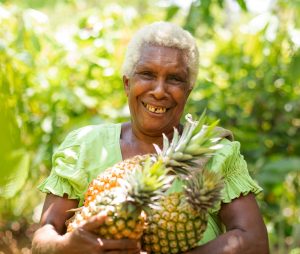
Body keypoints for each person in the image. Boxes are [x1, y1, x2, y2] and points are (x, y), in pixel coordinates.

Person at [32, 21, 269, 254]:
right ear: (127, 83)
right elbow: (45, 233)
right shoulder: (84, 145)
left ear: (188, 91)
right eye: (147, 74)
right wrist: (66, 246)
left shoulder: (216, 153)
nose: (159, 90)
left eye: (174, 79)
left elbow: (254, 242)